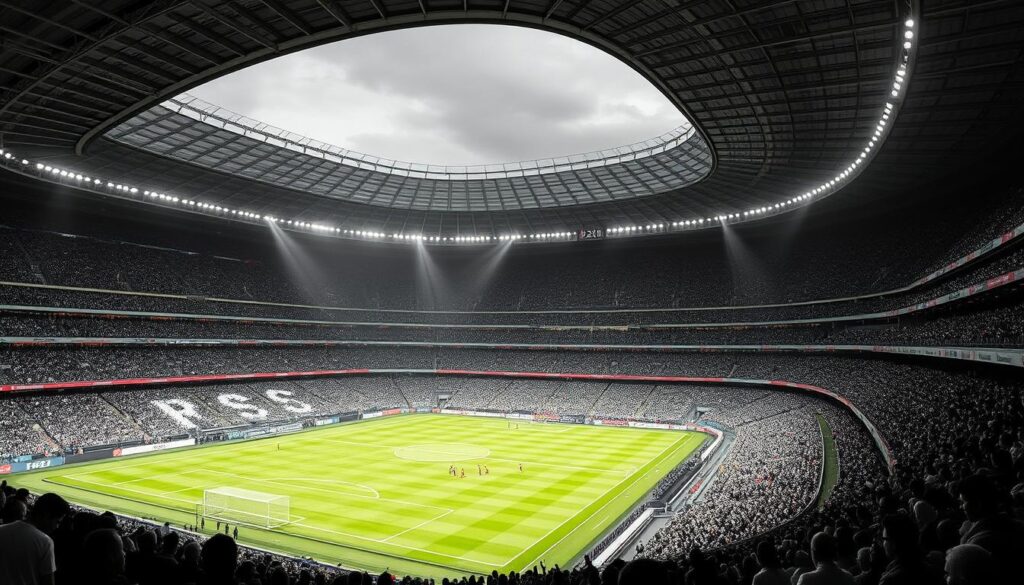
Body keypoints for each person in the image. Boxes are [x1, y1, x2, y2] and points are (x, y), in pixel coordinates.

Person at [0, 492, 70, 585]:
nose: (57, 526)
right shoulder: (45, 542)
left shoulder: (2, 529)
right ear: (47, 515)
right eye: (57, 521)